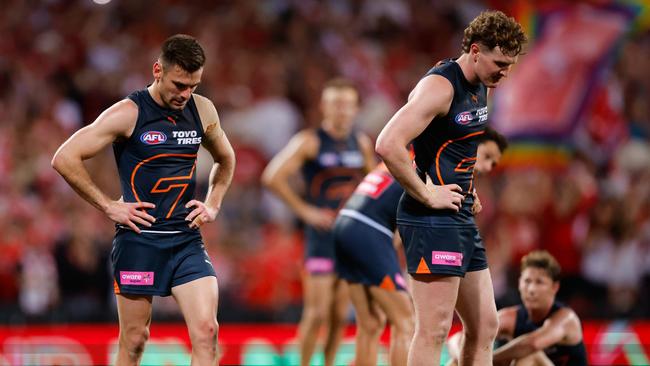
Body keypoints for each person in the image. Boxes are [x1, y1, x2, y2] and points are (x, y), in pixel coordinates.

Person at [52, 34, 235, 366]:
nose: (186, 94)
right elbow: (65, 157)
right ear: (157, 71)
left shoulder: (202, 109)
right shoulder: (128, 113)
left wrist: (213, 203)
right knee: (135, 340)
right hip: (140, 241)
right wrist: (109, 205)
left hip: (186, 240)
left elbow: (226, 159)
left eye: (193, 85)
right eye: (179, 84)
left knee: (207, 331)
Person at [375, 10, 527, 366]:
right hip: (430, 219)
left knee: (486, 325)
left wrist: (467, 188)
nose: (504, 73)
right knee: (434, 330)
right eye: (500, 63)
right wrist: (427, 192)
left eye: (510, 65)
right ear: (475, 50)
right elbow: (387, 143)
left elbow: (455, 147)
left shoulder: (481, 85)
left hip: (457, 217)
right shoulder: (440, 86)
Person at [334, 127, 507, 366]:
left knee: (371, 322)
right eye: (487, 156)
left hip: (347, 224)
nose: (487, 167)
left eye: (493, 164)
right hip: (369, 231)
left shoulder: (412, 157)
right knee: (405, 321)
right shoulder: (434, 162)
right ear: (471, 144)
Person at [262, 78, 375, 366]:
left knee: (339, 315)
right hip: (321, 238)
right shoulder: (310, 141)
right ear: (324, 106)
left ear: (356, 108)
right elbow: (272, 177)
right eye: (337, 104)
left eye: (348, 104)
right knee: (316, 313)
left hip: (348, 238)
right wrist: (305, 212)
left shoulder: (360, 143)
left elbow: (374, 183)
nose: (343, 110)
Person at [447, 250, 588, 366]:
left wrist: (487, 359)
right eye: (527, 281)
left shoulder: (566, 318)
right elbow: (457, 338)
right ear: (519, 284)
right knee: (456, 362)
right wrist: (463, 356)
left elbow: (533, 344)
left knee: (529, 357)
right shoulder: (512, 317)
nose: (531, 289)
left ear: (554, 287)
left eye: (539, 282)